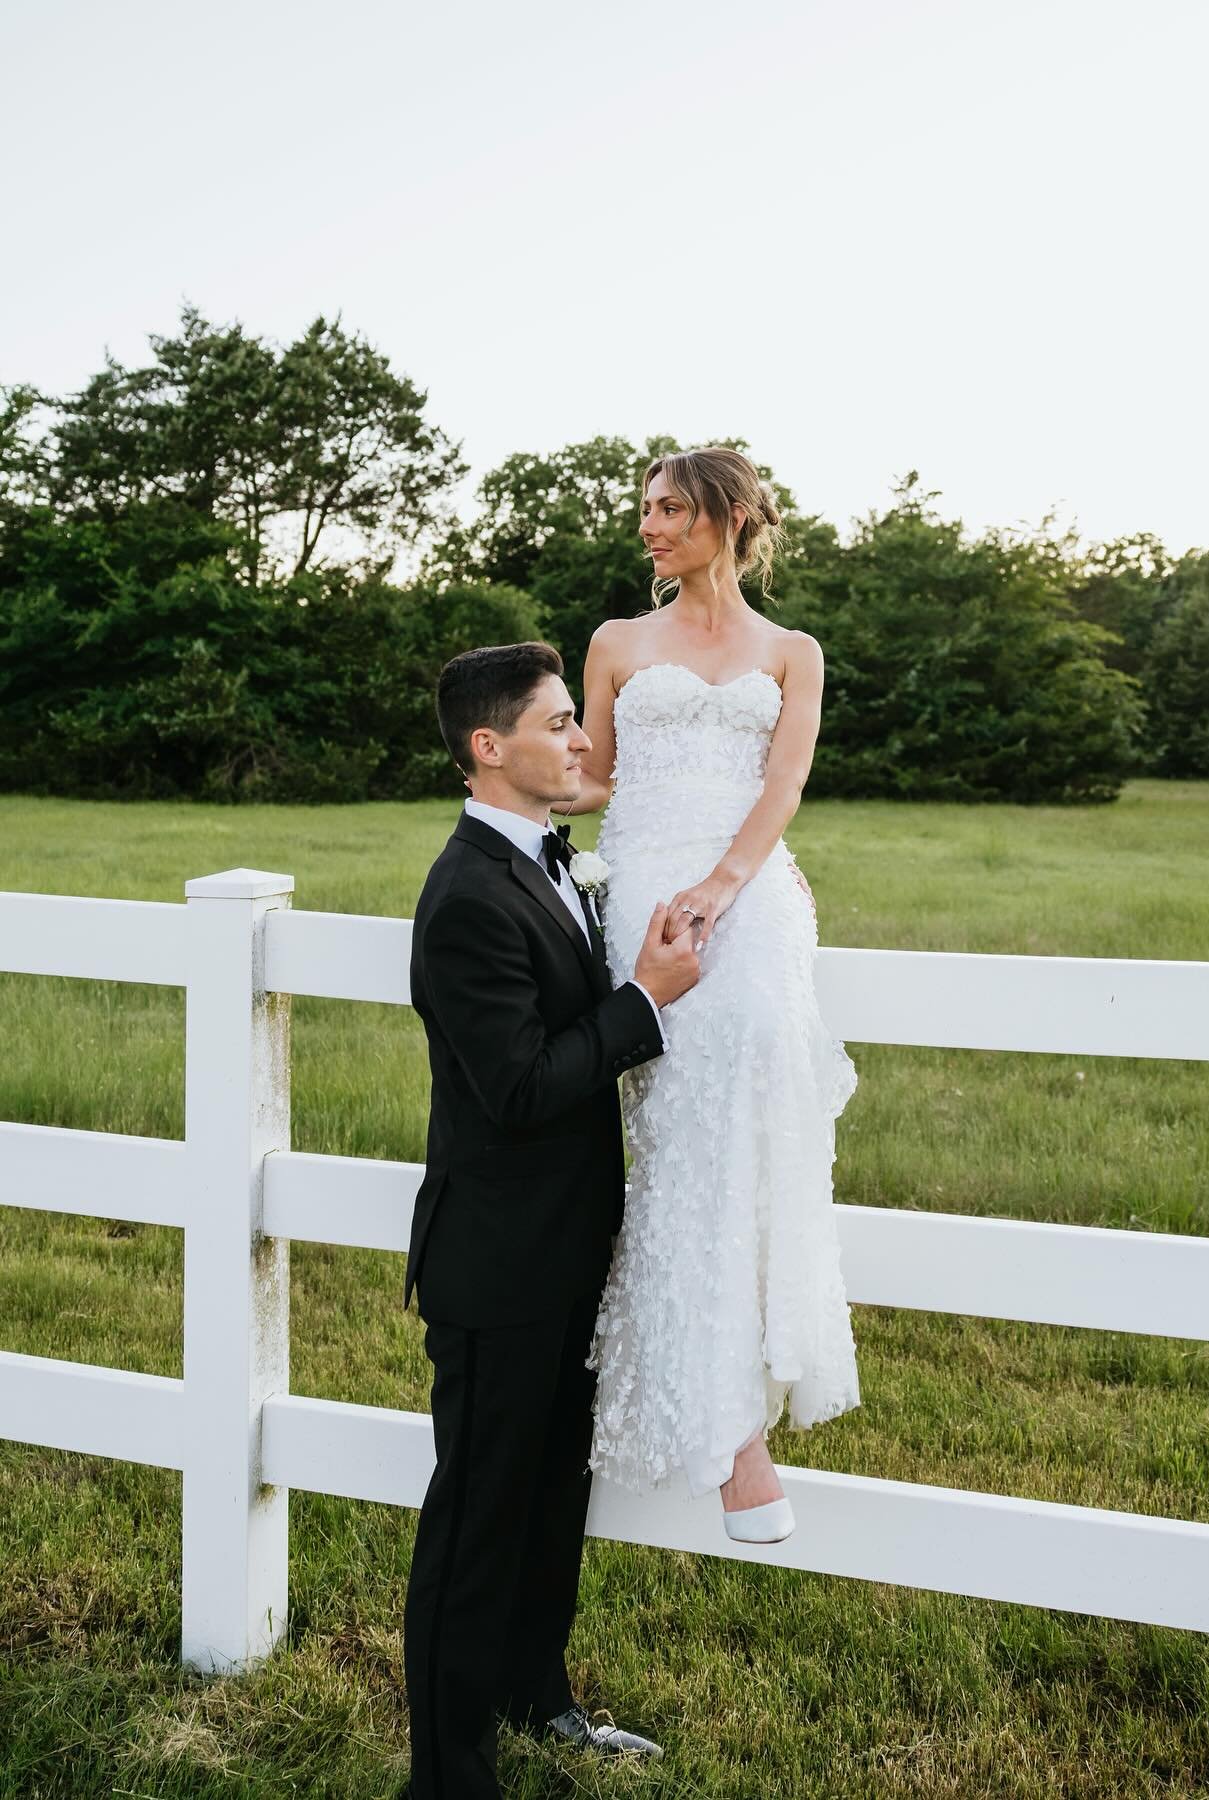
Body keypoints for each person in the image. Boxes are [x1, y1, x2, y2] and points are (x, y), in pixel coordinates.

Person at [400, 641, 700, 1798]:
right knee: (477, 1528)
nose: (584, 738)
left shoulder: (548, 864)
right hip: (498, 1268)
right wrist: (644, 1005)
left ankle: (538, 1701)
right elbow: (519, 1087)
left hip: (568, 1255)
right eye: (561, 721)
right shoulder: (468, 895)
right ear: (491, 747)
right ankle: (448, 1777)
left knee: (548, 1501)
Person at [563, 445, 862, 1544]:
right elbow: (593, 775)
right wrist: (506, 776)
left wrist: (728, 885)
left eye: (670, 510)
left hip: (747, 888)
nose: (648, 526)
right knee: (684, 1136)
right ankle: (736, 1441)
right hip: (646, 887)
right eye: (644, 509)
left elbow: (785, 782)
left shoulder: (793, 652)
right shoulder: (615, 643)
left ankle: (749, 1391)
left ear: (728, 519)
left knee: (758, 1124)